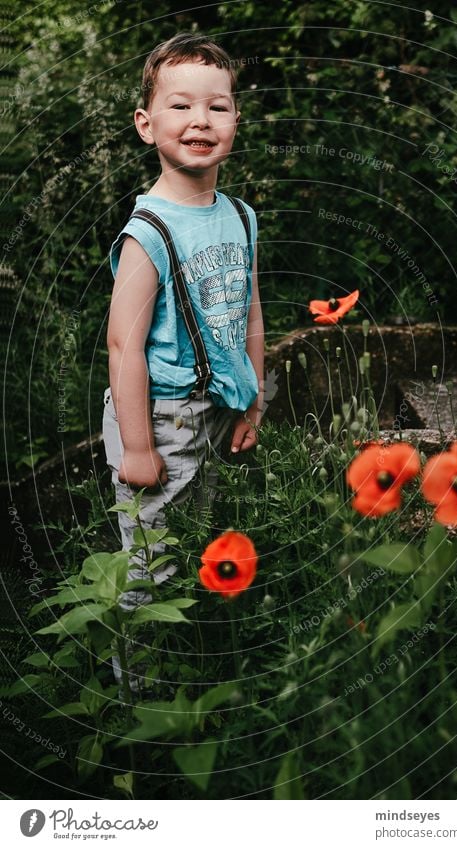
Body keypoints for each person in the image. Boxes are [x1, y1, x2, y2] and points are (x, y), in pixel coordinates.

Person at [102, 32, 264, 628]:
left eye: (216, 106)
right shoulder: (150, 231)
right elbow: (125, 344)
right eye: (181, 105)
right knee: (151, 565)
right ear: (146, 125)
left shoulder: (241, 217)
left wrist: (252, 403)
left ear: (235, 121)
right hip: (159, 417)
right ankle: (140, 687)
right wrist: (139, 445)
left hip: (217, 408)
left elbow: (249, 312)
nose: (200, 119)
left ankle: (193, 654)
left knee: (199, 537)